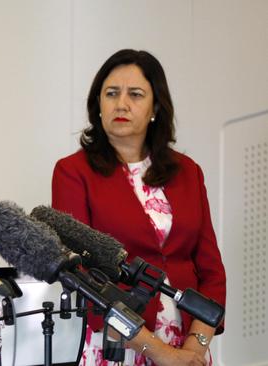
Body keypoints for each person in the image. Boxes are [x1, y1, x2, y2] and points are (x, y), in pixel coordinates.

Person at [51, 49, 226, 366]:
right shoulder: (73, 173)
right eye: (111, 93)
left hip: (187, 349)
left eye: (135, 94)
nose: (121, 104)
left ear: (155, 107)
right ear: (98, 105)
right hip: (118, 345)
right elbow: (82, 277)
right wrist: (161, 354)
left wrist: (194, 348)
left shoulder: (188, 172)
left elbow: (211, 271)